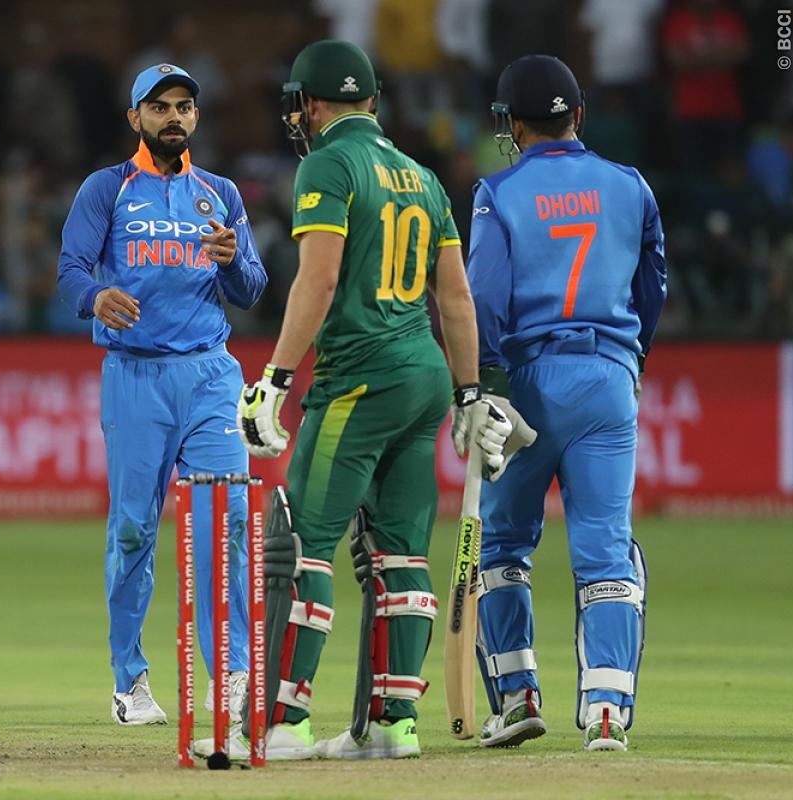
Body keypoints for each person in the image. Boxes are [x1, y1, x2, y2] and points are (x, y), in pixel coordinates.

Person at [220, 40, 519, 761]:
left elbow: (318, 280)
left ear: (311, 104)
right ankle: (392, 725)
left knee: (302, 544)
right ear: (373, 101)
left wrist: (276, 379)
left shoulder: (327, 164)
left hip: (358, 378)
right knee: (400, 554)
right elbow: (455, 298)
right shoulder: (422, 176)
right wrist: (470, 392)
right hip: (424, 378)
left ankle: (283, 724)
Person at [57, 64, 267, 726]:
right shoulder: (107, 188)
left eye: (183, 107)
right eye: (159, 106)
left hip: (210, 375)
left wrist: (233, 261)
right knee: (132, 531)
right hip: (136, 377)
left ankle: (231, 674)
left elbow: (253, 288)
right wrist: (96, 296)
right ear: (135, 118)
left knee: (225, 525)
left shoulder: (220, 193)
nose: (173, 116)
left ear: (195, 118)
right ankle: (130, 680)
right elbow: (69, 270)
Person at [466, 55, 666, 752]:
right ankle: (607, 709)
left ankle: (517, 698)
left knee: (501, 546)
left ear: (512, 126)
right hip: (607, 379)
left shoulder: (497, 192)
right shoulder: (631, 185)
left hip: (524, 385)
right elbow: (653, 286)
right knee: (605, 547)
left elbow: (483, 295)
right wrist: (630, 359)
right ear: (578, 114)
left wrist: (485, 385)